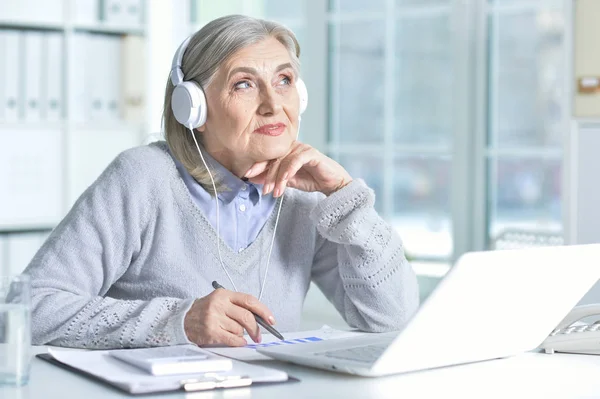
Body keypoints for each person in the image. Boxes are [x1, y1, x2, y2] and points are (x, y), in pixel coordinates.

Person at [25, 14, 419, 349]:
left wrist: (345, 196)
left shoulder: (305, 196)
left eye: (284, 80)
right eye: (244, 84)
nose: (273, 104)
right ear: (193, 106)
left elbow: (392, 319)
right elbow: (32, 309)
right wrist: (179, 321)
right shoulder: (143, 178)